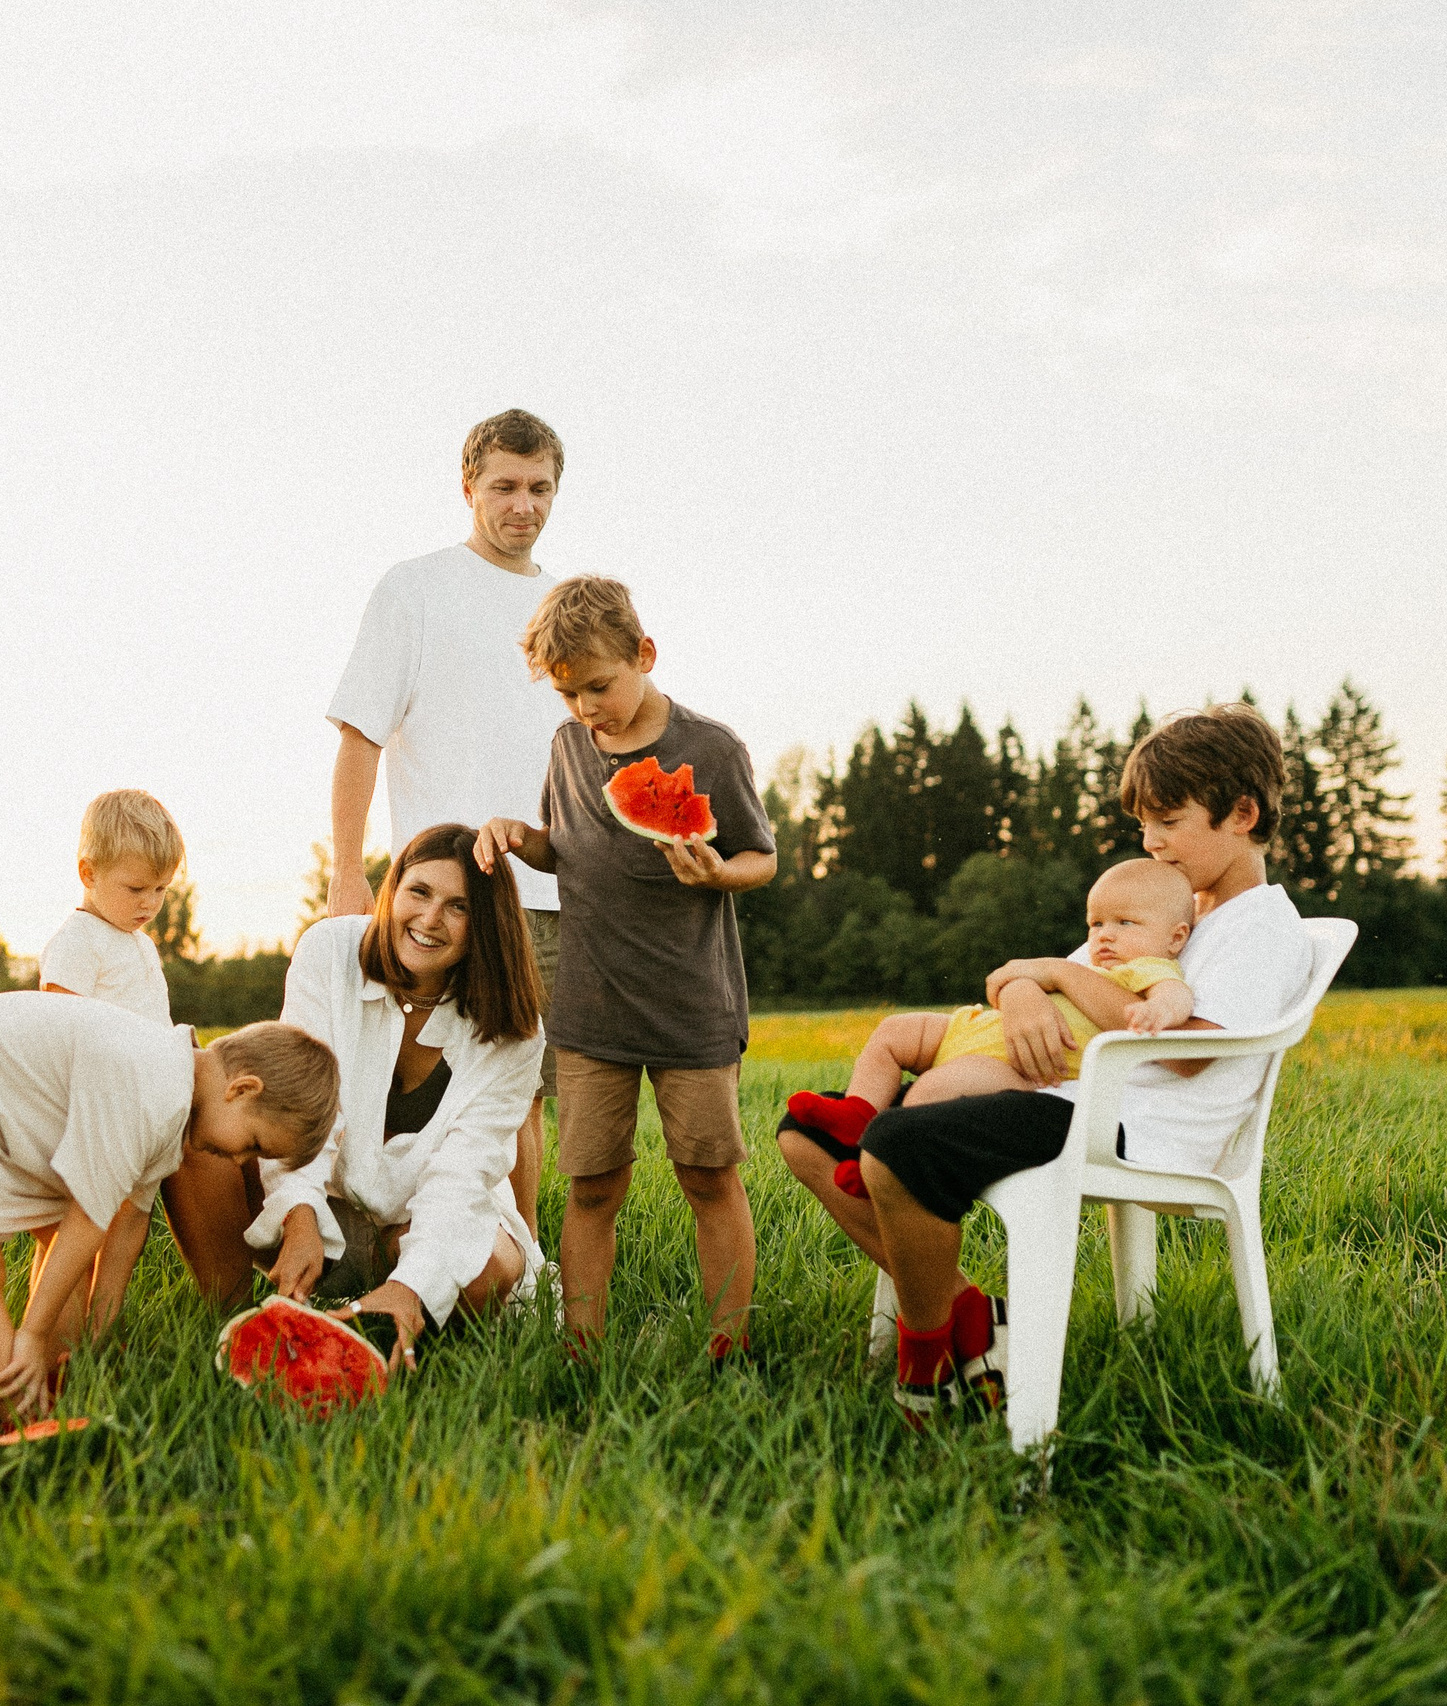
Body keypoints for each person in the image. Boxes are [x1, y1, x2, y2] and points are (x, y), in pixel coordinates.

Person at [780, 703, 1314, 1427]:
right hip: (1058, 1093)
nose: (1152, 843)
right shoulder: (1156, 905)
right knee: (806, 1134)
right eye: (1144, 826)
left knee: (896, 1147)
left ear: (1243, 813)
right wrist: (1032, 982)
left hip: (1133, 1126)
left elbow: (1188, 1053)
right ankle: (968, 1314)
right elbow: (1016, 981)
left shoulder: (1261, 928)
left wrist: (1052, 980)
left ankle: (928, 1365)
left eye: (1170, 821)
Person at [475, 576, 778, 1358]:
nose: (585, 709)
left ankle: (727, 1350)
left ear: (644, 654)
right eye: (568, 694)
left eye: (600, 686)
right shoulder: (569, 745)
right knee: (591, 1186)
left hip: (691, 1005)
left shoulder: (711, 747)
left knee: (708, 1178)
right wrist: (520, 835)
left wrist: (719, 873)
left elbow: (761, 857)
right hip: (589, 1010)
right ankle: (582, 1350)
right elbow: (566, 841)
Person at [0, 993, 338, 1421]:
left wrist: (101, 1328)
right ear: (242, 1089)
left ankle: (62, 1380)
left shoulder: (173, 1096)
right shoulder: (152, 1093)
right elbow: (89, 1222)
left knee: (61, 1249)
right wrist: (29, 1333)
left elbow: (126, 1224)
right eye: (252, 1143)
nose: (240, 1160)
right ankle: (28, 1421)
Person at [325, 409, 572, 1236]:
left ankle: (521, 1262)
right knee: (403, 1078)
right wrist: (349, 872)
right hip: (441, 893)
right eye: (504, 486)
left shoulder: (564, 606)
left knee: (521, 1087)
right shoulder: (416, 587)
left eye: (539, 488)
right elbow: (360, 733)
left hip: (552, 890)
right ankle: (386, 1244)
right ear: (468, 487)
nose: (522, 506)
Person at [231, 822, 548, 1368]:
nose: (429, 919)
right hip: (322, 1204)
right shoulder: (330, 952)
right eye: (419, 892)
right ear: (393, 889)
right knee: (207, 1119)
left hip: (421, 1220)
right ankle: (236, 1315)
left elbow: (463, 1177)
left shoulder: (515, 1033)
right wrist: (300, 1211)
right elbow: (302, 1104)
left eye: (458, 907)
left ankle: (387, 1314)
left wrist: (414, 1285)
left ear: (486, 927)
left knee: (489, 1269)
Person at [779, 859, 1199, 1195]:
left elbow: (1176, 996)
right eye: (1096, 924)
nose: (1104, 937)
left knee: (929, 1094)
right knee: (894, 1031)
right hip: (977, 1027)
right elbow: (1002, 982)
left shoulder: (1147, 968)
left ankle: (879, 1172)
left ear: (1175, 938)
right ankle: (858, 1112)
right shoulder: (1088, 962)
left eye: (1125, 924)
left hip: (1011, 1065)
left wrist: (1159, 1011)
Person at [39, 788, 182, 1024]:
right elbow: (61, 1033)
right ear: (89, 874)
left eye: (161, 888)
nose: (151, 903)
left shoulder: (143, 944)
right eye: (136, 889)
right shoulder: (77, 941)